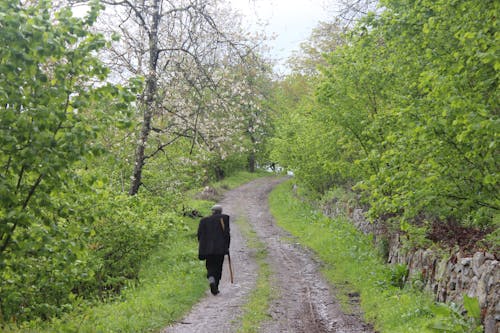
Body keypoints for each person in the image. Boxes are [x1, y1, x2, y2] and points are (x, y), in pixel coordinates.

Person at [197, 204, 230, 295]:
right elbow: (226, 234)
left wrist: (203, 246)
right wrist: (227, 247)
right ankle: (216, 286)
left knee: (210, 266)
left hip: (207, 249)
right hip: (220, 249)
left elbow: (199, 235)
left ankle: (211, 279)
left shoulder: (204, 221)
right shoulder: (224, 219)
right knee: (218, 267)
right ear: (220, 211)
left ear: (212, 211)